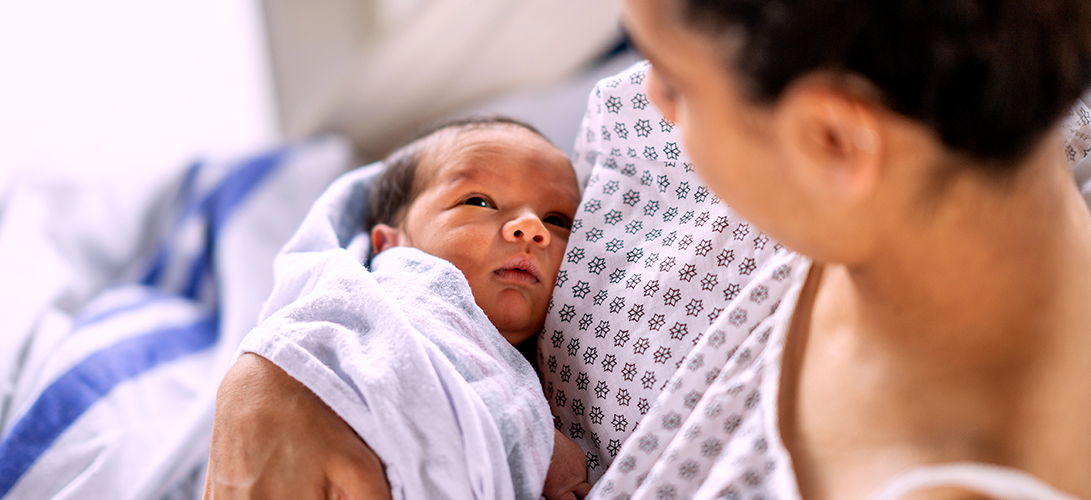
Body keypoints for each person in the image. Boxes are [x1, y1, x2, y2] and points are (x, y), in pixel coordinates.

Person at [206, 0, 1091, 498]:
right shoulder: (966, 103)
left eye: (677, 79)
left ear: (833, 143)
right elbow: (417, 190)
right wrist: (284, 361)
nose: (640, 96)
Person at [206, 117, 592, 500]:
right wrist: (545, 449)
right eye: (478, 201)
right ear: (390, 243)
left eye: (557, 220)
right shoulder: (406, 284)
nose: (531, 228)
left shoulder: (562, 365)